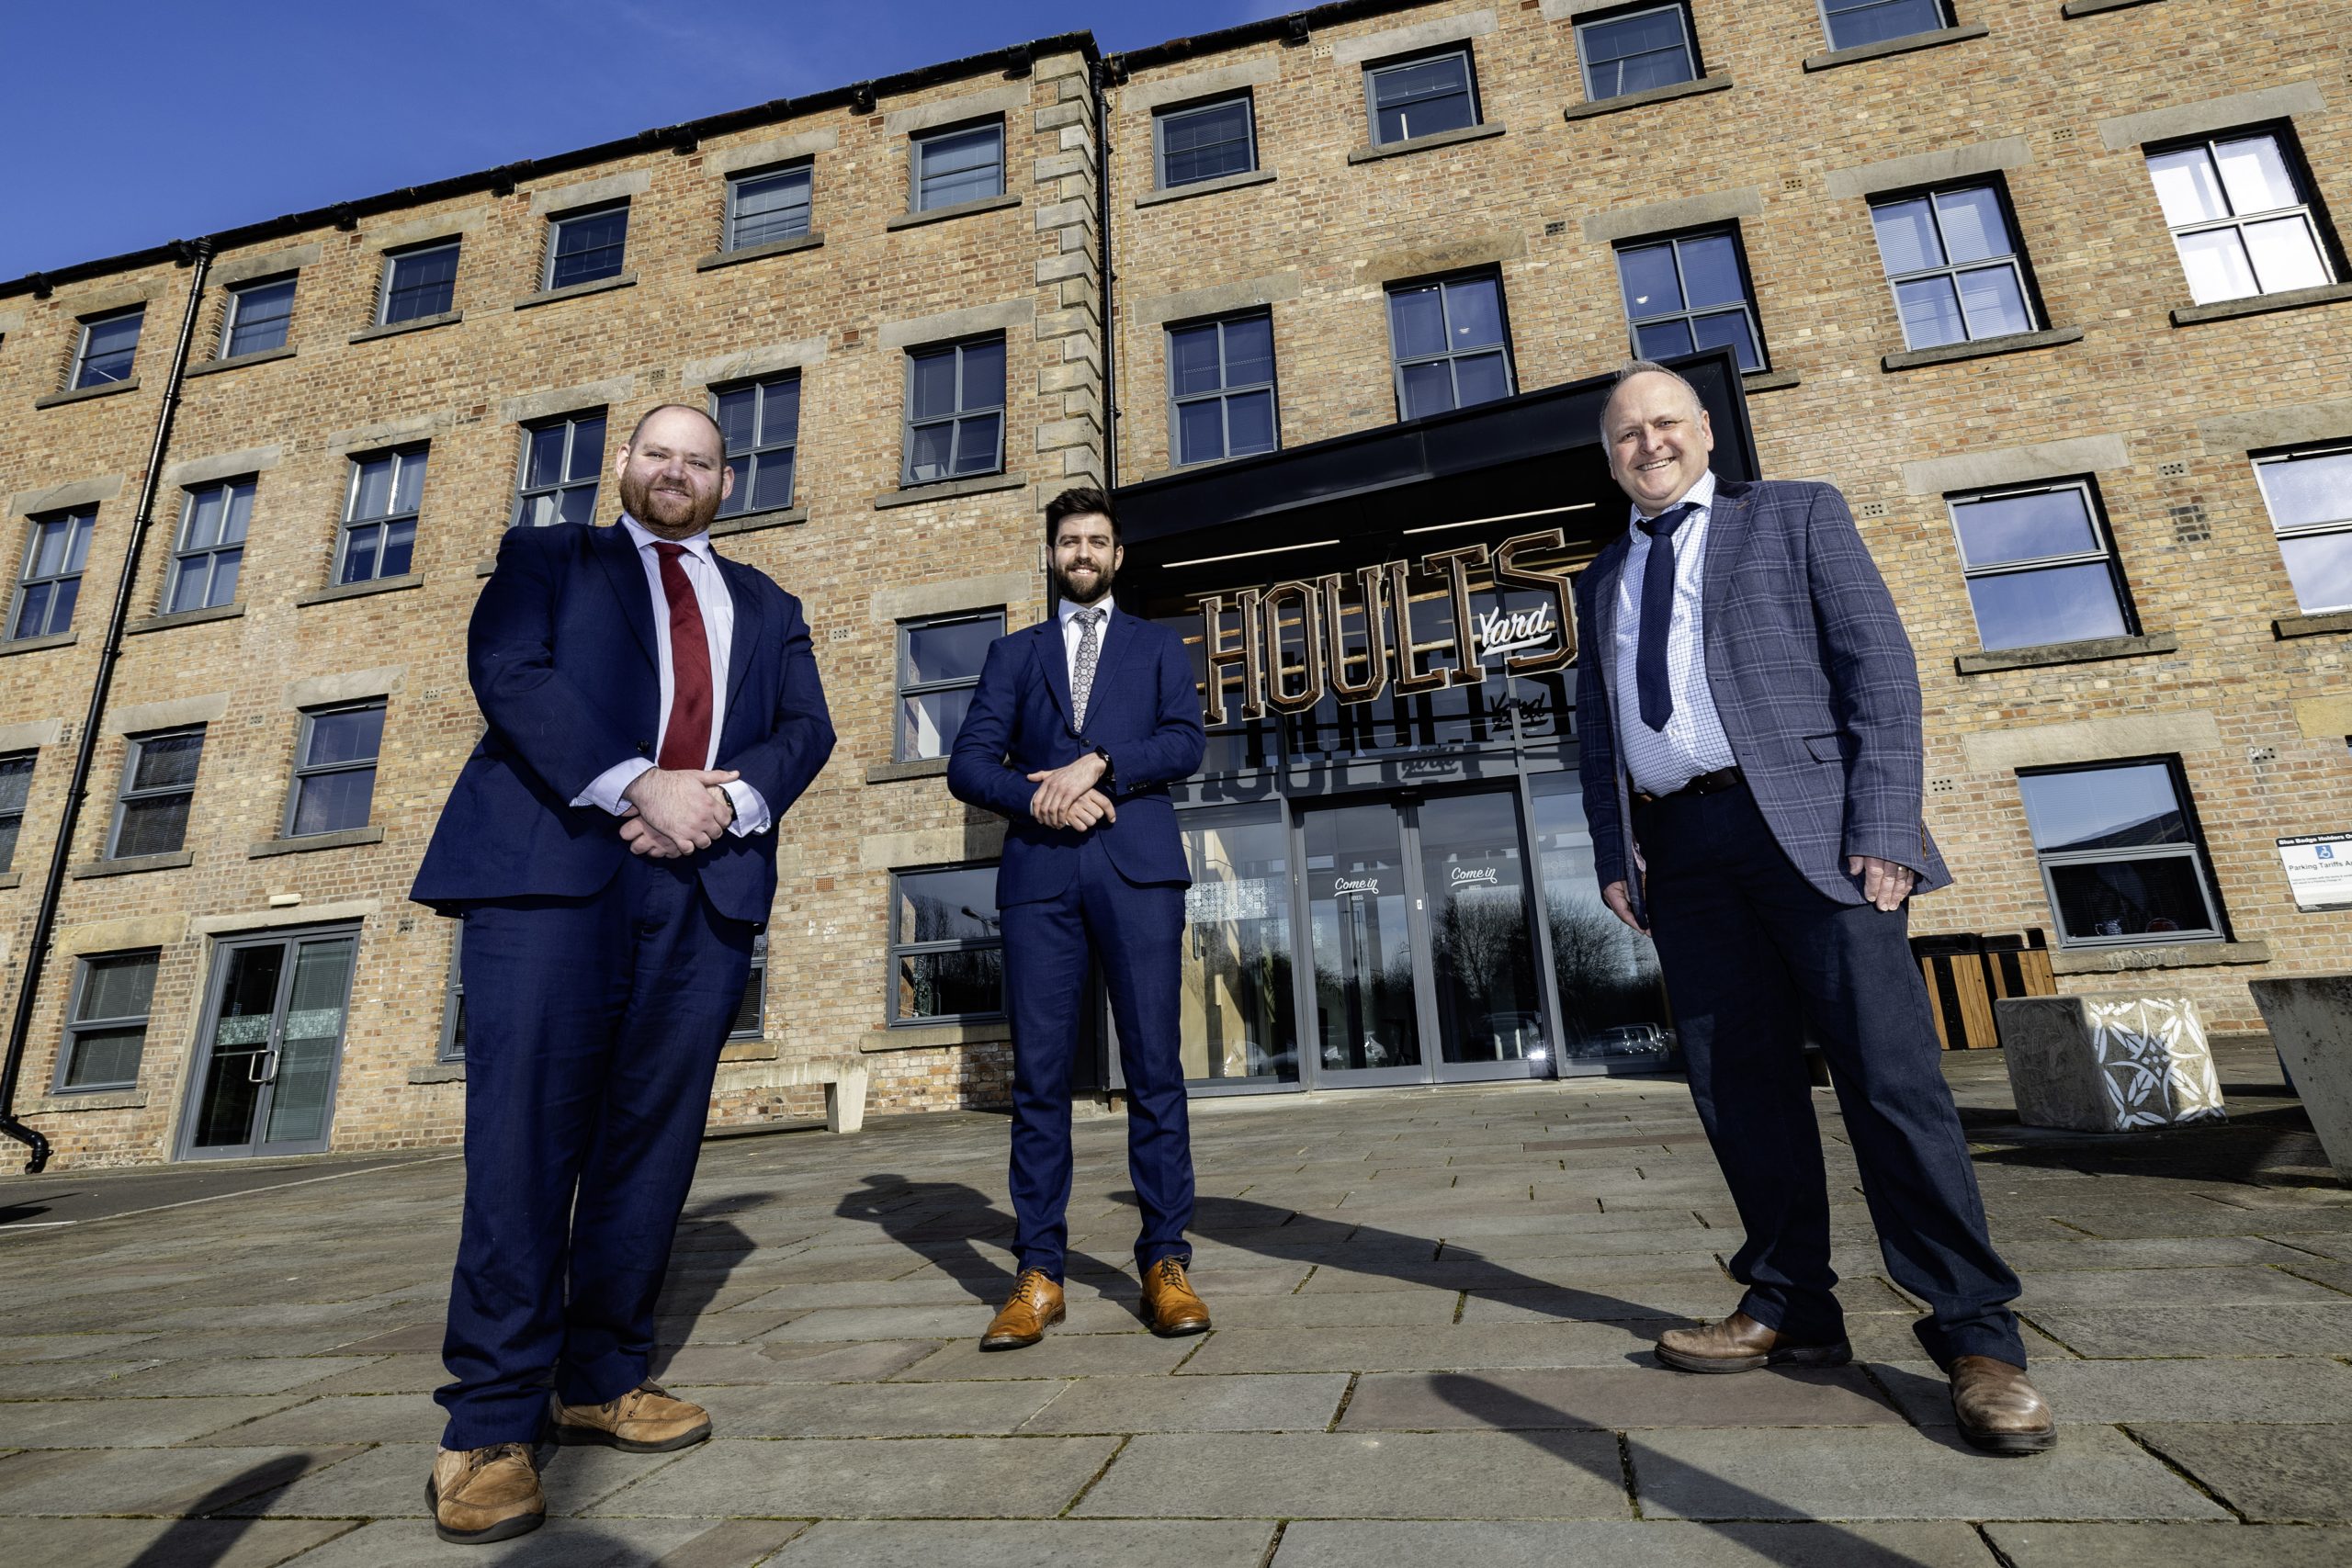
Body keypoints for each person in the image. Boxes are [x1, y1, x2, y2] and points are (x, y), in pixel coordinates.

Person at [1571, 363, 2055, 1455]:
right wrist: (1617, 852)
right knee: (1736, 1089)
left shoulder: (1792, 513)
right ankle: (1790, 1305)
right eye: (1624, 436)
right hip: (1682, 855)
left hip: (1812, 835)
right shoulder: (1603, 576)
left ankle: (1978, 1336)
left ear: (1704, 434)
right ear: (1607, 460)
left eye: (1664, 425)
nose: (1646, 445)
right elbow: (1595, 732)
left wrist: (1883, 821)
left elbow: (1875, 668)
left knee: (1888, 1080)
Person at [410, 404, 835, 1541]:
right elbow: (509, 671)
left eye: (699, 462)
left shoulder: (770, 603)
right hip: (555, 874)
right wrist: (638, 782)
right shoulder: (548, 556)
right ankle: (489, 1425)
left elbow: (806, 730)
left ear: (725, 481)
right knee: (523, 1141)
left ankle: (601, 1377)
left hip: (705, 887)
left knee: (652, 1141)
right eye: (659, 455)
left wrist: (722, 803)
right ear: (624, 468)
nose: (677, 473)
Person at [947, 487, 1209, 1350]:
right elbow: (969, 766)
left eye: (1097, 540)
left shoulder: (1159, 645)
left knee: (1156, 1071)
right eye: (1069, 541)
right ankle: (1039, 1271)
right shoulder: (1012, 654)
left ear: (1118, 555)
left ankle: (1165, 1262)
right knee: (1040, 1082)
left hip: (1138, 871)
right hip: (1040, 879)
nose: (1083, 553)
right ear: (1053, 554)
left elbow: (1184, 741)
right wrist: (1044, 797)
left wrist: (1098, 765)